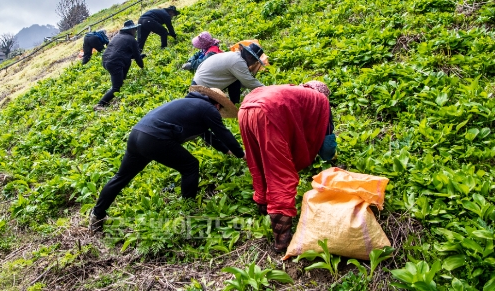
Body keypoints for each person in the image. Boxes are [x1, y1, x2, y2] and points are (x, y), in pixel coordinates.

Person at [89, 86, 245, 233]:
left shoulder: (190, 105)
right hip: (155, 138)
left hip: (137, 134)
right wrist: (241, 154)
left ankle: (97, 215)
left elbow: (208, 135)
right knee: (190, 166)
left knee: (121, 177)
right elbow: (223, 133)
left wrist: (227, 150)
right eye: (220, 109)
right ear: (217, 104)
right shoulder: (209, 109)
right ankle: (188, 212)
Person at [237, 81, 336, 252]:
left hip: (245, 109)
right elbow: (327, 146)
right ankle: (282, 240)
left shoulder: (294, 93)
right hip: (268, 112)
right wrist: (331, 158)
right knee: (280, 173)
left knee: (258, 162)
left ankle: (262, 208)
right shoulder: (321, 101)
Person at [94, 20, 144, 111]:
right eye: (134, 30)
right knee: (116, 88)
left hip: (106, 61)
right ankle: (99, 104)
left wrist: (139, 57)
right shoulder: (131, 40)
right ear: (130, 30)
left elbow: (124, 53)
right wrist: (142, 67)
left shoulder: (117, 36)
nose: (135, 31)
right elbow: (137, 57)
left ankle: (122, 79)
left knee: (127, 61)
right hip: (115, 63)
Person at [192, 42, 265, 104]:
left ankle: (235, 103)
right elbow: (249, 82)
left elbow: (243, 81)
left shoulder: (234, 56)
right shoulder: (238, 62)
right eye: (255, 61)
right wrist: (267, 89)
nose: (254, 64)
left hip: (198, 83)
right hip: (201, 90)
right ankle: (234, 104)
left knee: (235, 80)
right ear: (250, 57)